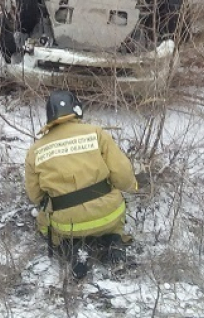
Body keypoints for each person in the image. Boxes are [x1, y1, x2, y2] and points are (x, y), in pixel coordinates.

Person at [24, 90, 138, 279]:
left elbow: (35, 196)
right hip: (109, 215)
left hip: (66, 224)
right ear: (76, 109)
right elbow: (123, 175)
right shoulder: (96, 134)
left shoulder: (35, 150)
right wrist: (131, 187)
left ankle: (73, 249)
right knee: (112, 219)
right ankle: (113, 242)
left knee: (47, 224)